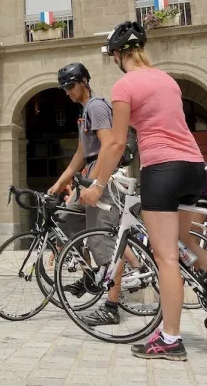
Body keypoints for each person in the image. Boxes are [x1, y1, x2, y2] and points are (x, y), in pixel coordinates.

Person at [79, 21, 207, 361]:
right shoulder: (166, 80)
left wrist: (97, 184)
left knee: (165, 257)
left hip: (162, 169)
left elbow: (118, 143)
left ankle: (169, 339)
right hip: (194, 167)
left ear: (118, 55)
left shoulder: (125, 85)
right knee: (188, 242)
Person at [47, 62, 130, 326]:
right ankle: (94, 274)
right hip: (89, 176)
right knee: (65, 217)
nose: (68, 91)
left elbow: (108, 145)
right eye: (64, 88)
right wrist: (60, 183)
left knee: (104, 243)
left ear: (84, 81)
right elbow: (81, 153)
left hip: (102, 180)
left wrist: (96, 184)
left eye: (71, 85)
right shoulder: (85, 112)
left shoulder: (95, 106)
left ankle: (112, 307)